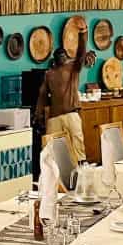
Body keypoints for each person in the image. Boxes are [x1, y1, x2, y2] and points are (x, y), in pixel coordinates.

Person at [35, 18, 88, 161]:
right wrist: (38, 115)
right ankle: (50, 172)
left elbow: (81, 53)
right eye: (59, 56)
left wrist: (83, 33)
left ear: (66, 56)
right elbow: (42, 95)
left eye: (63, 55)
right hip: (55, 116)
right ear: (55, 59)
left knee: (78, 149)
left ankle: (81, 171)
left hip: (71, 114)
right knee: (49, 150)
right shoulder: (49, 74)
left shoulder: (73, 68)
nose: (62, 58)